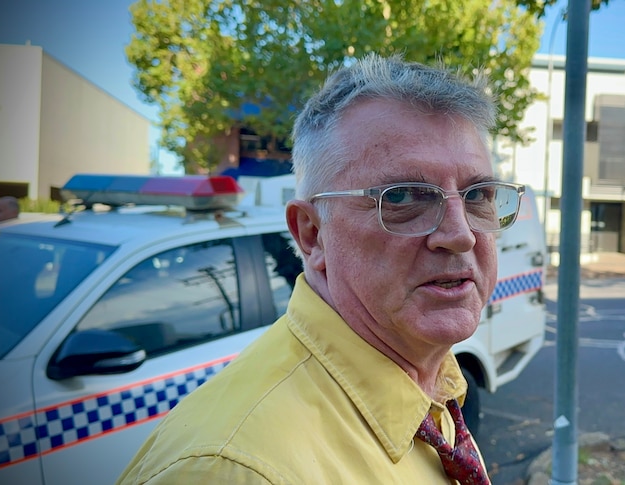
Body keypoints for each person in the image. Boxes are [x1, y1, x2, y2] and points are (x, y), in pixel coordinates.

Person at [116, 53, 525, 485]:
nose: (460, 235)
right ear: (311, 234)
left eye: (478, 194)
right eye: (403, 197)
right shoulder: (229, 469)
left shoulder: (431, 381)